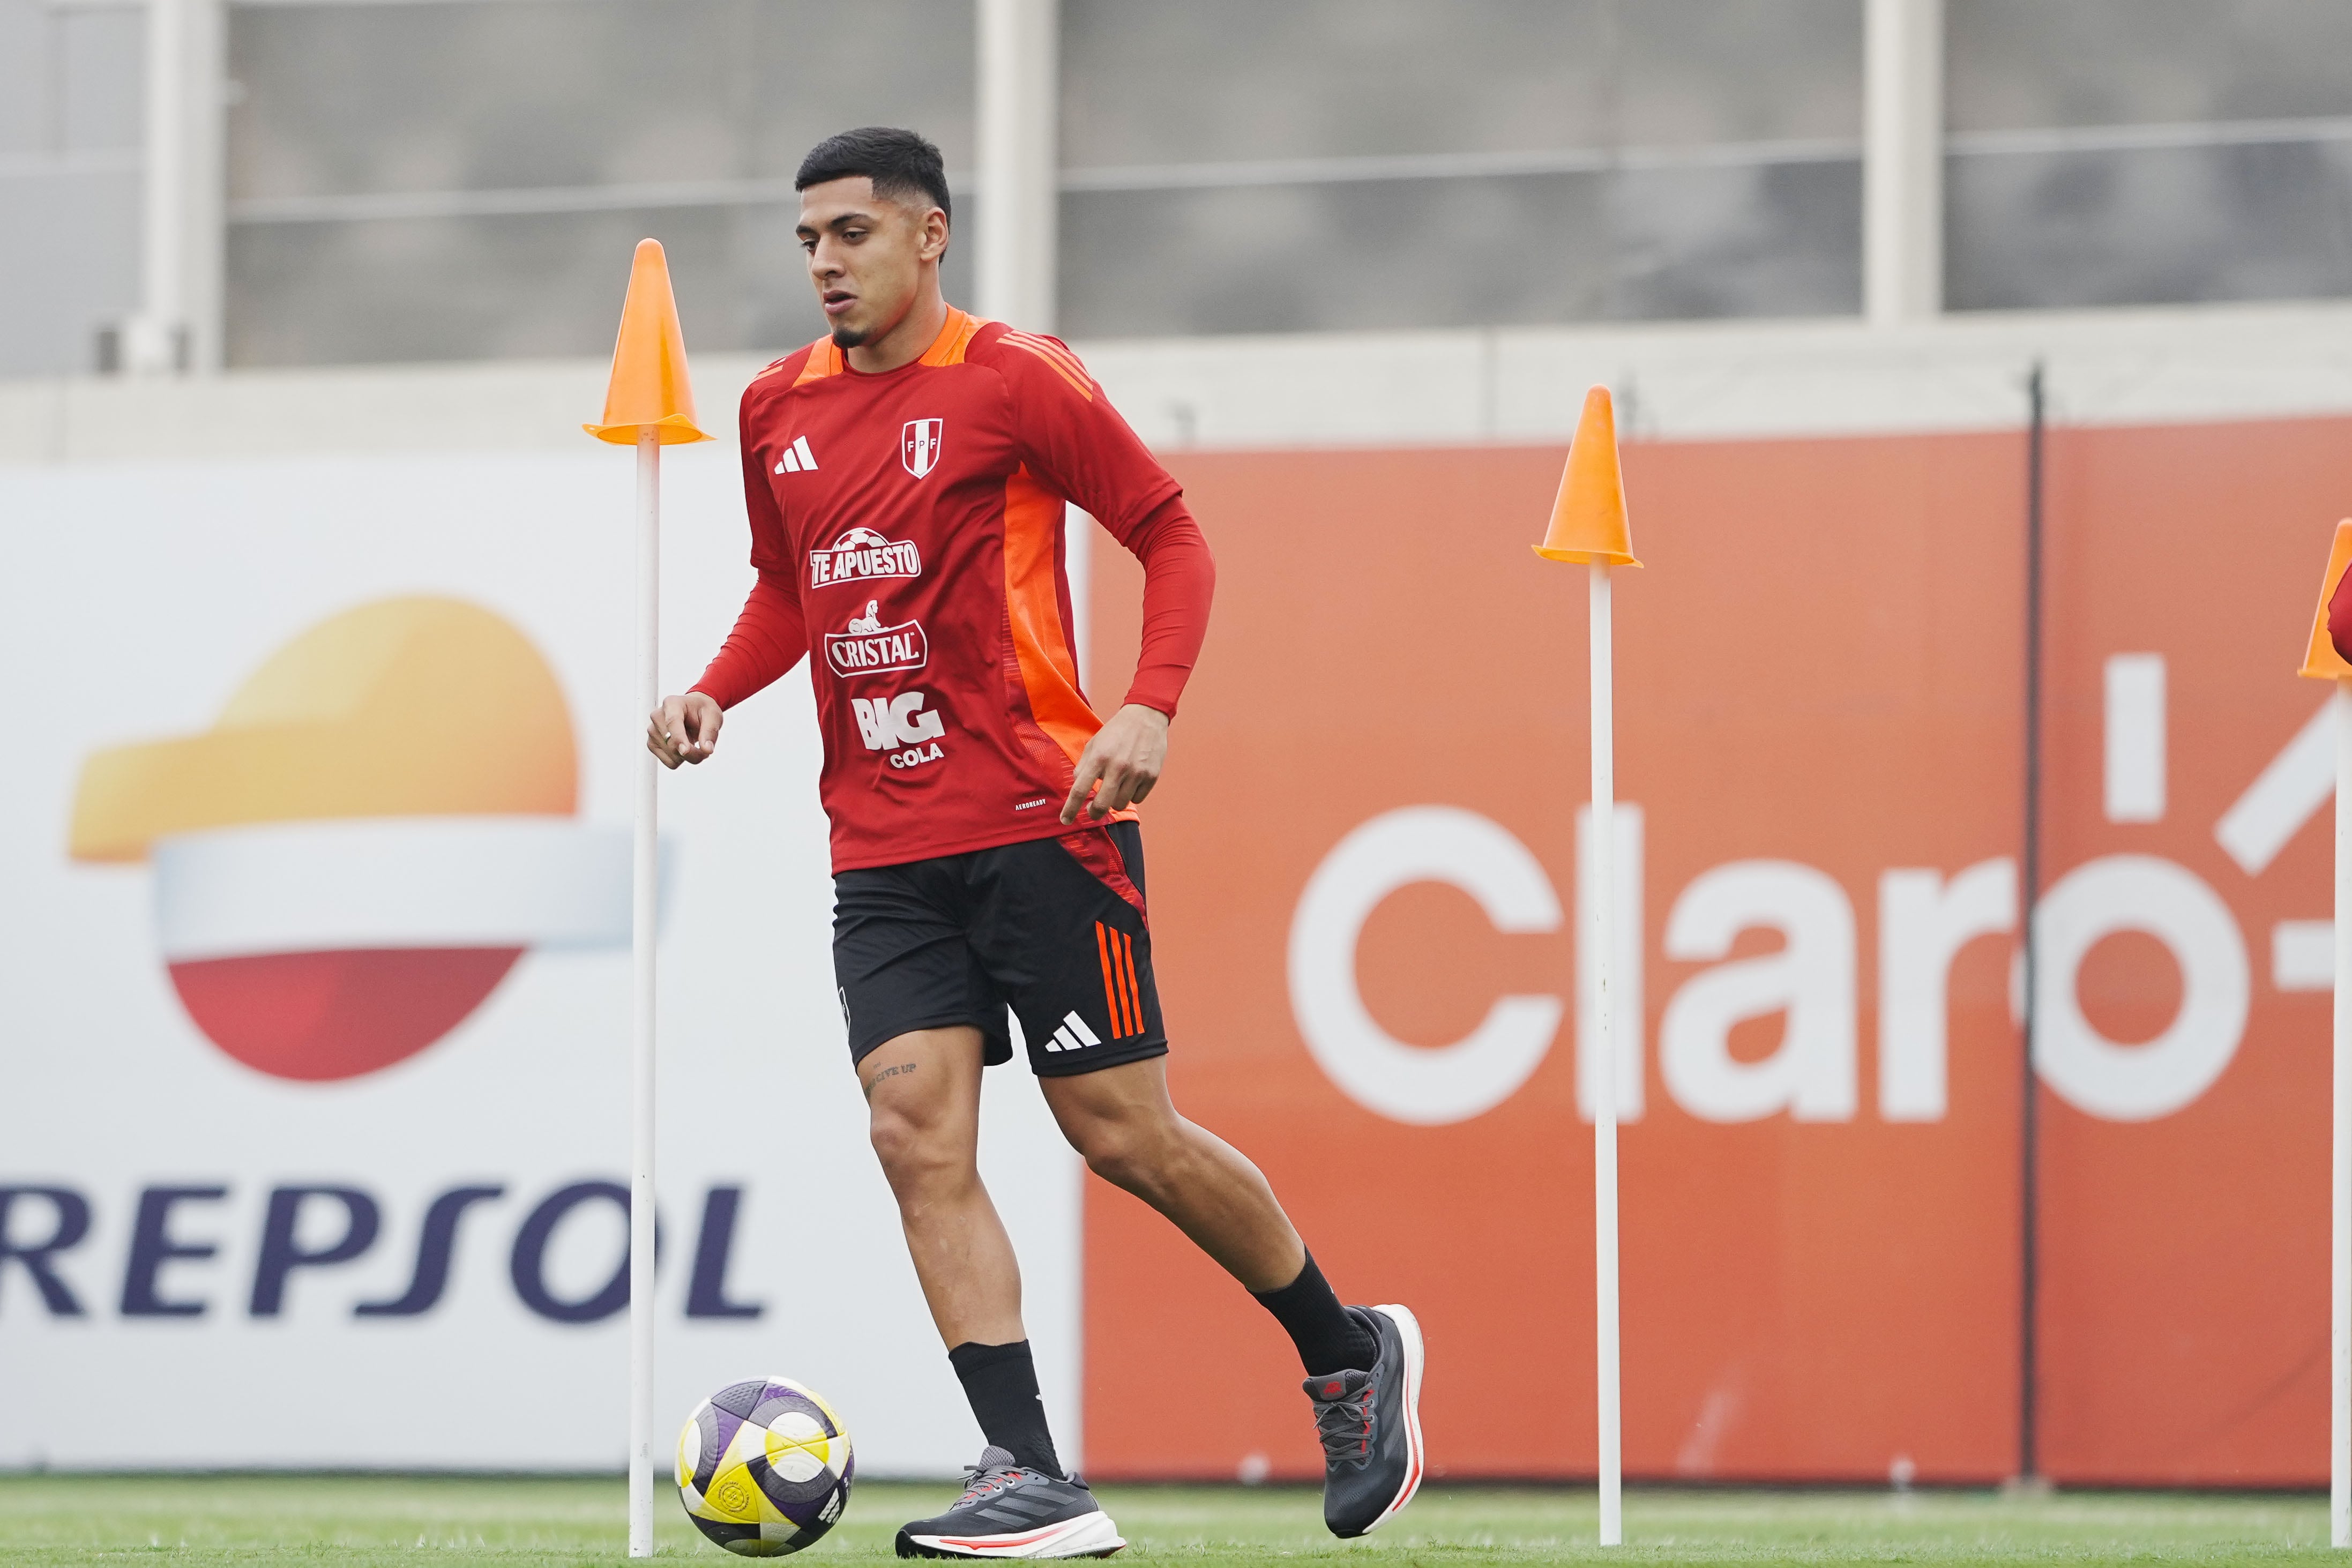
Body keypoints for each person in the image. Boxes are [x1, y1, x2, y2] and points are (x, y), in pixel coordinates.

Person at [648, 126, 1424, 1560]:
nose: (824, 261)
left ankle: (1344, 1351)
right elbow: (789, 590)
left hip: (1044, 826)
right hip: (880, 851)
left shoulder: (1018, 378)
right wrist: (714, 687)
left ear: (929, 237)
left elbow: (1170, 533)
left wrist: (1149, 708)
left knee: (1120, 1134)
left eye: (853, 235)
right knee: (910, 1130)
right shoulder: (774, 410)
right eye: (807, 240)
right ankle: (1027, 1471)